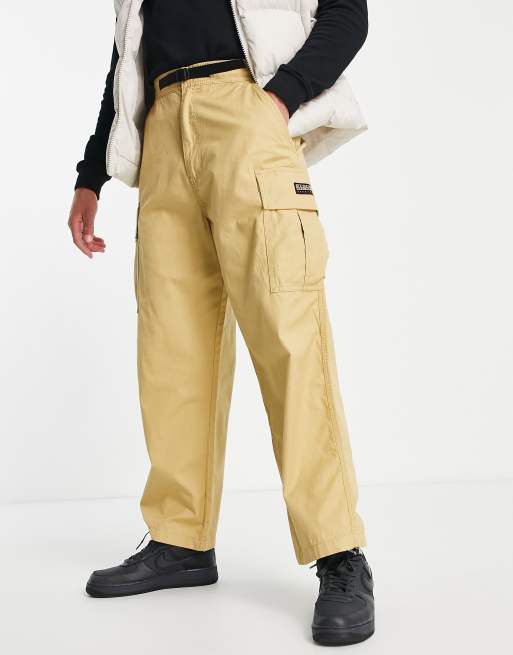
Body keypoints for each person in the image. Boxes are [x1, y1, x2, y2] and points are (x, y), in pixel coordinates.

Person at [68, 0, 373, 646]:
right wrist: (91, 173)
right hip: (161, 126)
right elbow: (126, 52)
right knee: (171, 350)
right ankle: (181, 538)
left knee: (289, 338)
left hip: (247, 106)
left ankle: (338, 551)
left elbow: (347, 12)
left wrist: (281, 98)